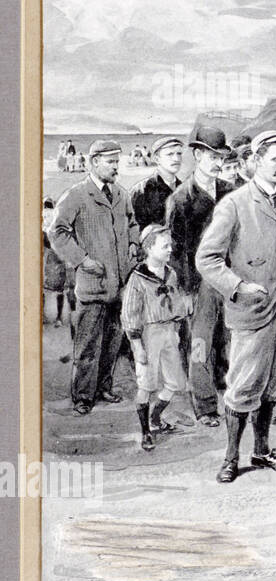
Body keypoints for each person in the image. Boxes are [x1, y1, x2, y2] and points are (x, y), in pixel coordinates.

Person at [196, 131, 276, 483]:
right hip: (250, 313)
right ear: (257, 160)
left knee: (273, 385)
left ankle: (261, 452)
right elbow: (207, 259)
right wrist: (240, 286)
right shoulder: (234, 204)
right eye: (275, 159)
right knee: (243, 386)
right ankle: (231, 458)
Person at [49, 140, 140, 415]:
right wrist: (82, 260)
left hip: (118, 285)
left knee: (112, 342)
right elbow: (57, 232)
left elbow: (132, 223)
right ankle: (83, 397)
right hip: (91, 286)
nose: (116, 167)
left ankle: (104, 387)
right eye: (110, 161)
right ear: (94, 162)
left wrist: (134, 243)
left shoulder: (122, 194)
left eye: (117, 161)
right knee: (88, 346)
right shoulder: (76, 195)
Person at [164, 124, 237, 429]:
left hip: (231, 279)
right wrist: (185, 291)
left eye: (221, 156)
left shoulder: (232, 194)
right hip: (198, 283)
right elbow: (176, 251)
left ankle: (237, 399)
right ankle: (206, 406)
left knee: (234, 340)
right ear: (196, 155)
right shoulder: (180, 199)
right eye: (211, 156)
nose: (218, 162)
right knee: (199, 345)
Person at [121, 225, 187, 451]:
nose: (170, 250)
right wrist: (137, 345)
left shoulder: (171, 274)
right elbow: (129, 313)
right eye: (164, 246)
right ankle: (145, 432)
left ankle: (156, 418)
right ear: (149, 248)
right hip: (148, 334)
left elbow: (177, 303)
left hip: (169, 331)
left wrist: (176, 330)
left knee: (174, 382)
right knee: (147, 385)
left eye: (170, 245)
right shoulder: (138, 278)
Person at [129, 135, 186, 230]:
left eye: (179, 154)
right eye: (170, 154)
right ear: (156, 159)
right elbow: (131, 228)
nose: (176, 159)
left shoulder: (186, 190)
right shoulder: (141, 190)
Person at [43, 198, 70, 326]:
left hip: (52, 256)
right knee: (58, 289)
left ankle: (47, 315)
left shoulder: (46, 216)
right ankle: (58, 317)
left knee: (46, 287)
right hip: (56, 255)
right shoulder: (55, 215)